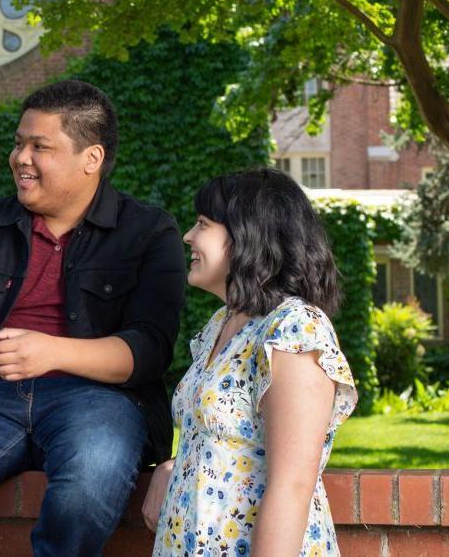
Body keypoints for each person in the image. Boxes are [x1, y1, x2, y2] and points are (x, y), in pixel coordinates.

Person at [0, 80, 187, 556]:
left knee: (89, 479)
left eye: (39, 146)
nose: (20, 157)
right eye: (18, 143)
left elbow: (149, 350)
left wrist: (52, 351)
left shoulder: (148, 230)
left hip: (100, 401)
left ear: (92, 158)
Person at [142, 168, 358, 556]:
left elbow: (291, 484)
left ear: (247, 236)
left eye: (203, 224)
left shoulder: (294, 331)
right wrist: (172, 467)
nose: (189, 236)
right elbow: (230, 441)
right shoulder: (222, 324)